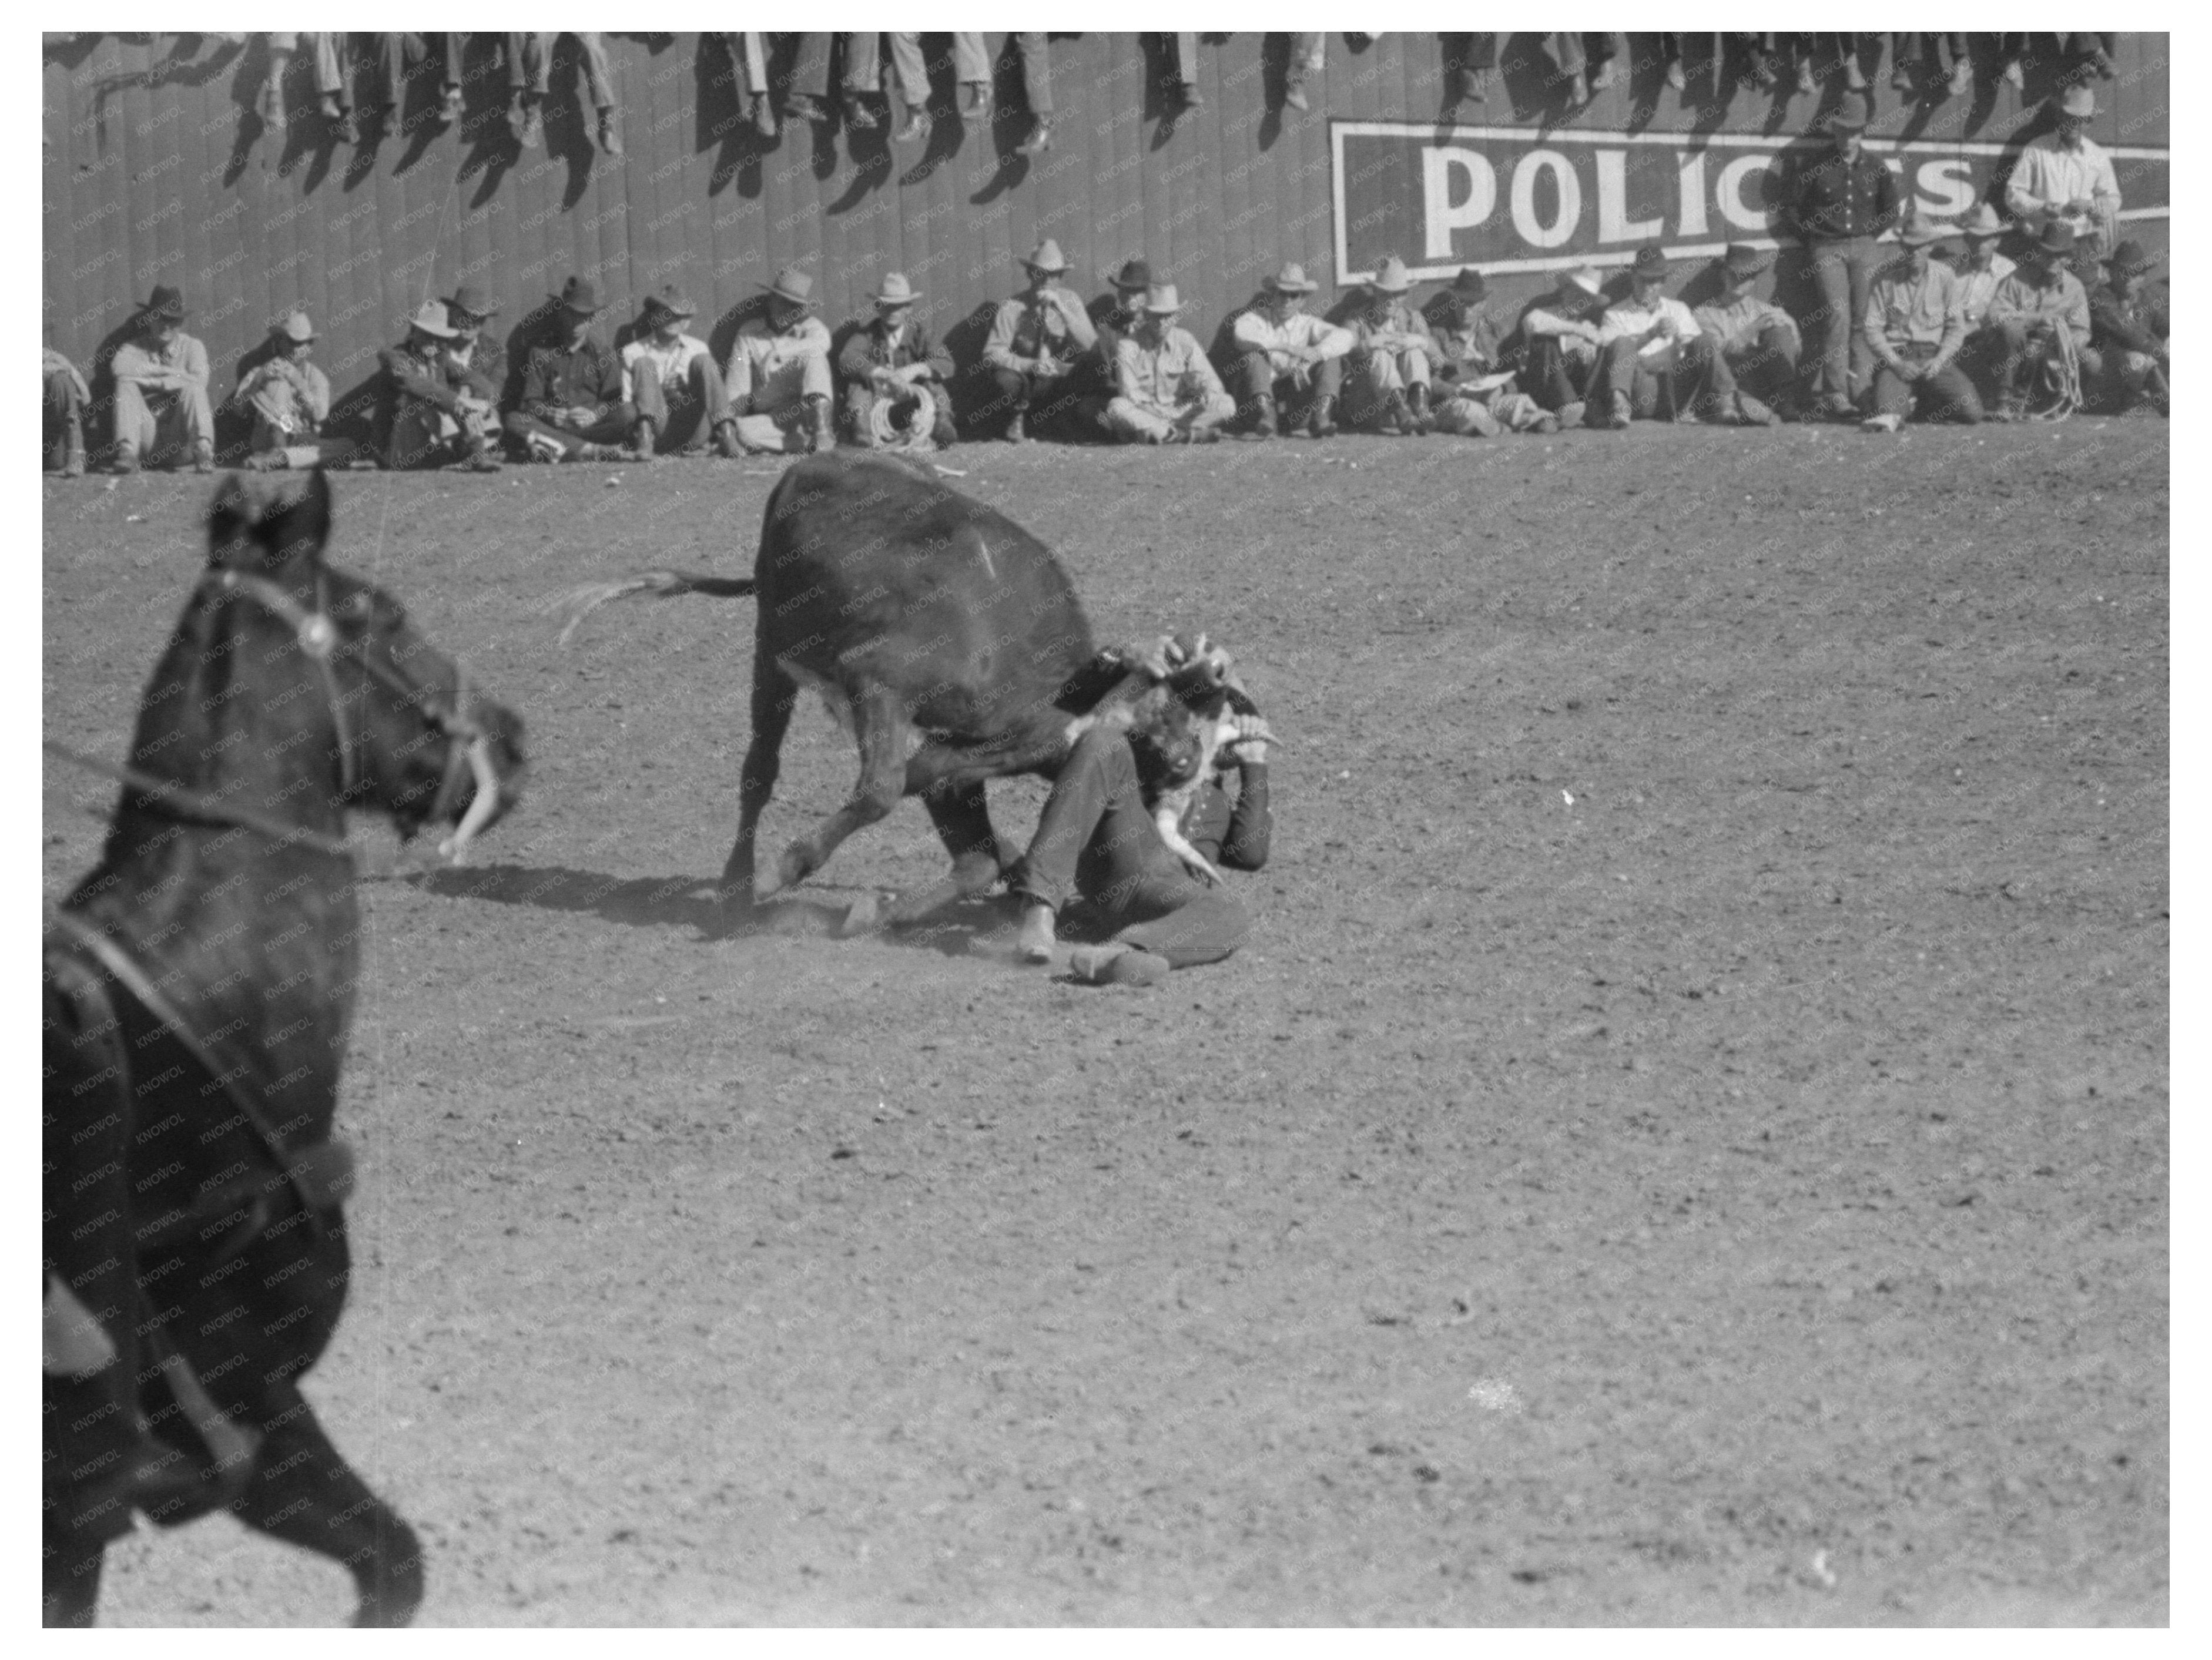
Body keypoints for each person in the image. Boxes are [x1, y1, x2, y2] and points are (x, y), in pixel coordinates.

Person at [1010, 638, 1273, 987]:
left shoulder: (1217, 800)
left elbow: (1250, 853)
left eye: (1220, 712)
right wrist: (1119, 661)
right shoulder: (1148, 754)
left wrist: (1254, 764)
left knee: (1231, 912)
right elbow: (1064, 708)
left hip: (1166, 894)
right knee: (1104, 740)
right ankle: (1040, 906)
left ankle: (1122, 955)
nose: (1202, 720)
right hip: (1121, 858)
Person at [1784, 102, 1903, 418]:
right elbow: (1793, 207)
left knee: (1864, 318)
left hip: (1864, 247)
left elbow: (1891, 209)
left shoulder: (1876, 166)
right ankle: (1835, 394)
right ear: (1833, 131)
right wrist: (1815, 237)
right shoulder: (1815, 164)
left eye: (1853, 133)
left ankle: (1861, 391)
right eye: (1841, 132)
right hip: (1826, 248)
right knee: (1838, 315)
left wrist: (1868, 236)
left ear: (1862, 133)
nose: (1846, 139)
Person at [1858, 212, 1982, 432]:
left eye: (1920, 246)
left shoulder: (1944, 276)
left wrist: (1940, 360)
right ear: (1902, 246)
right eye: (1908, 246)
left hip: (1933, 356)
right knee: (1889, 414)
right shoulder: (1885, 277)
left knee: (1972, 413)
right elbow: (1872, 329)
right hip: (1899, 357)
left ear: (1931, 246)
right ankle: (1889, 392)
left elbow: (1956, 327)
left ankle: (1923, 398)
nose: (1913, 252)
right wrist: (1896, 364)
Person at [1586, 245, 1730, 429]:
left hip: (1676, 389)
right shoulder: (1614, 314)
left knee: (1705, 340)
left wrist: (1679, 341)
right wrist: (1651, 335)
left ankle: (1726, 401)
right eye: (1643, 280)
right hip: (1639, 391)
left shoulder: (1678, 309)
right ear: (1633, 277)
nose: (1648, 287)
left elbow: (1694, 351)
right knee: (1622, 342)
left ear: (1662, 282)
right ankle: (1620, 407)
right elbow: (1614, 356)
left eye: (1653, 281)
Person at [503, 277, 637, 461]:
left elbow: (614, 401)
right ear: (560, 314)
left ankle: (565, 447)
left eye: (583, 317)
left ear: (591, 318)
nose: (576, 322)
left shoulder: (602, 352)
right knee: (513, 419)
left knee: (628, 413)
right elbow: (529, 402)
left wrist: (594, 415)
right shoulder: (540, 351)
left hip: (592, 427)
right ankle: (590, 450)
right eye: (571, 314)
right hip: (555, 426)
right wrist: (550, 413)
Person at [979, 240, 1099, 442]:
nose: (1045, 280)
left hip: (1059, 381)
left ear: (1061, 277)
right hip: (1028, 383)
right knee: (1004, 379)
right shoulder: (1012, 307)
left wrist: (1061, 309)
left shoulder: (1070, 301)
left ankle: (1061, 420)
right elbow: (991, 354)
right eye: (1039, 273)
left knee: (1093, 367)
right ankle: (1016, 419)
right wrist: (1031, 365)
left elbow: (1092, 346)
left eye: (1053, 275)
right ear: (1029, 274)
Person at [1420, 268, 1559, 436]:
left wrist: (1502, 389)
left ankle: (1535, 420)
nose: (1465, 310)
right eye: (1460, 302)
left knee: (1518, 402)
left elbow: (1512, 374)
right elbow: (1430, 379)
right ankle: (1500, 426)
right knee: (1466, 409)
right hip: (1456, 400)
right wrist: (1454, 391)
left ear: (1483, 304)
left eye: (1471, 304)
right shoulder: (1439, 334)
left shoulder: (1496, 332)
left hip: (1492, 399)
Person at [1225, 263, 1353, 438]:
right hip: (1257, 404)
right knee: (1254, 355)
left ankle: (1321, 417)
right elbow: (1241, 334)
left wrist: (1312, 357)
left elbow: (1346, 337)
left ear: (1302, 301)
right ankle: (1267, 416)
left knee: (1332, 358)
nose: (1287, 300)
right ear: (1273, 296)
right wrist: (1290, 349)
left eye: (1294, 296)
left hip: (1296, 404)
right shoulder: (1258, 318)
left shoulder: (1308, 323)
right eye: (1282, 294)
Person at [1982, 221, 2093, 421]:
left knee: (2092, 360)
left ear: (2068, 259)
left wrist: (2063, 342)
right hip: (2014, 349)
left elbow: (2082, 330)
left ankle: (2065, 401)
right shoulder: (2017, 279)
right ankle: (2005, 400)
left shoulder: (2075, 288)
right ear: (2039, 253)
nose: (2052, 260)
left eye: (2059, 255)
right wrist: (2036, 320)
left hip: (2052, 349)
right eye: (2047, 253)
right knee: (2012, 331)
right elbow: (1994, 314)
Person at [836, 272, 956, 451]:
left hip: (912, 404)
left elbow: (947, 363)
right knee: (859, 386)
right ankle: (863, 431)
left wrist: (917, 369)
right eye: (885, 306)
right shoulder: (868, 334)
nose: (891, 311)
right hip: (879, 401)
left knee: (933, 382)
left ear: (909, 308)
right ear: (877, 307)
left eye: (897, 306)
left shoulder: (921, 334)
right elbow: (847, 358)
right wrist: (880, 374)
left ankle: (942, 423)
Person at [2004, 85, 2121, 266]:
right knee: (2040, 292)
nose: (2073, 124)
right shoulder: (2036, 149)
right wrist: (2041, 207)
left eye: (2080, 119)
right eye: (2069, 117)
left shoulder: (2098, 156)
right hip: (2043, 241)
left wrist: (2090, 206)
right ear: (2059, 116)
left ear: (2088, 122)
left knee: (2083, 293)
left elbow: (2113, 200)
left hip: (2083, 242)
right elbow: (2012, 195)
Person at [1104, 284, 1235, 445]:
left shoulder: (1185, 340)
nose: (1162, 322)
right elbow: (1129, 393)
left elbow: (1209, 380)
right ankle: (1184, 436)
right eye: (1157, 316)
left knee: (1226, 403)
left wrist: (1208, 391)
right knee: (1116, 407)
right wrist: (1155, 414)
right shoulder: (1128, 345)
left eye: (1168, 316)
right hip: (1146, 412)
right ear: (1146, 315)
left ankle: (1162, 434)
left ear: (1177, 316)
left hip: (1180, 413)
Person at [378, 301, 503, 470]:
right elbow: (413, 383)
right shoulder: (395, 357)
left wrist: (472, 397)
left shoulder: (440, 358)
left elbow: (481, 383)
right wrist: (460, 401)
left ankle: (475, 456)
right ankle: (470, 454)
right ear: (414, 333)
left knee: (465, 395)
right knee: (421, 399)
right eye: (428, 335)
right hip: (398, 450)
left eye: (439, 337)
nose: (434, 342)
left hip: (432, 447)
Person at [621, 285, 740, 460]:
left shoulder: (698, 348)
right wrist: (659, 391)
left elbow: (708, 394)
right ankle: (644, 442)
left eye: (679, 316)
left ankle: (728, 435)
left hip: (692, 429)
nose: (672, 320)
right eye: (666, 313)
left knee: (704, 361)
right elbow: (627, 403)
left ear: (687, 322)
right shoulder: (633, 351)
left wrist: (684, 390)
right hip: (657, 429)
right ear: (655, 316)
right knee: (644, 363)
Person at [725, 266, 836, 454]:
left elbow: (824, 342)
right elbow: (738, 383)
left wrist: (778, 353)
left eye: (795, 306)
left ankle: (822, 434)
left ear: (802, 308)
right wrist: (729, 428)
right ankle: (805, 442)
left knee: (816, 356)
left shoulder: (812, 329)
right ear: (770, 301)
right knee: (743, 433)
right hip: (773, 417)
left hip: (806, 411)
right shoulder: (749, 333)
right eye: (782, 302)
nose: (787, 310)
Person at [109, 286, 215, 475]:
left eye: (172, 320)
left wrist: (153, 381)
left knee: (195, 390)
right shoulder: (136, 346)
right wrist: (171, 374)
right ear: (150, 319)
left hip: (181, 441)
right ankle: (127, 453)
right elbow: (119, 368)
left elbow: (200, 380)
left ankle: (204, 451)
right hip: (146, 439)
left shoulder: (192, 346)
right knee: (125, 384)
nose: (166, 325)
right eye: (160, 318)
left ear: (180, 322)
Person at [234, 311, 358, 470]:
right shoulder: (261, 371)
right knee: (277, 384)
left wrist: (299, 383)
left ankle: (281, 458)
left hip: (301, 438)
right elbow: (238, 409)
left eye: (301, 344)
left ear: (309, 347)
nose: (295, 349)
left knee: (348, 447)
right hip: (268, 436)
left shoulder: (316, 377)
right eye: (291, 342)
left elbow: (320, 415)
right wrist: (259, 379)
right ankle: (281, 454)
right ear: (280, 343)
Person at [1692, 244, 1801, 424]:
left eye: (1744, 276)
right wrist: (1751, 330)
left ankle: (1784, 401)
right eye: (1732, 274)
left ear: (1752, 281)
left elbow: (1795, 347)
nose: (1737, 280)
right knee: (1706, 342)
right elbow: (1713, 353)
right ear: (1723, 275)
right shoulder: (1704, 313)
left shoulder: (1765, 310)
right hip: (1723, 383)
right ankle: (1732, 405)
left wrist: (1789, 327)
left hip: (1760, 380)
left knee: (1780, 331)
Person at [1340, 255, 1436, 436]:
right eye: (1386, 294)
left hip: (1408, 413)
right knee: (1380, 354)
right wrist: (1368, 345)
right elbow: (1341, 358)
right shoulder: (1356, 320)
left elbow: (1440, 361)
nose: (1391, 300)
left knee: (1414, 351)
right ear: (1375, 292)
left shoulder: (1413, 318)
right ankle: (1401, 410)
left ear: (1406, 295)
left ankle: (1420, 408)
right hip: (1369, 405)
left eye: (1398, 294)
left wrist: (1419, 341)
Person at [2083, 240, 2167, 416]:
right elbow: (2128, 333)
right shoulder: (2101, 299)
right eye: (2123, 272)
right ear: (2111, 273)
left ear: (2143, 277)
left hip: (2137, 373)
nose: (2128, 278)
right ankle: (2133, 404)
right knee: (2138, 359)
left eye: (2135, 273)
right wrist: (2160, 351)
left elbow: (2165, 325)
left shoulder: (2145, 298)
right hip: (2100, 380)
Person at [1513, 266, 1605, 424]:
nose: (1580, 300)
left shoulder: (1587, 325)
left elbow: (1602, 338)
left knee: (1599, 347)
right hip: (1540, 388)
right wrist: (1579, 332)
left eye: (1587, 297)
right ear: (1564, 291)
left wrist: (1589, 344)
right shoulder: (1544, 312)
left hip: (1575, 389)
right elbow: (1532, 323)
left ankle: (1591, 406)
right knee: (1544, 340)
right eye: (1576, 292)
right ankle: (1566, 405)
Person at [443, 283, 509, 416]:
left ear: (484, 321)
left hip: (477, 412)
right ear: (453, 314)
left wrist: (471, 388)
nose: (470, 324)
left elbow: (495, 392)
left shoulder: (495, 352)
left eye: (477, 318)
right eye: (465, 316)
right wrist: (459, 391)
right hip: (443, 409)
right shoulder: (437, 343)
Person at [43, 348, 89, 476]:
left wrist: (58, 369)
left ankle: (76, 454)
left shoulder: (51, 357)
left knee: (61, 379)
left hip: (51, 444)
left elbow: (86, 399)